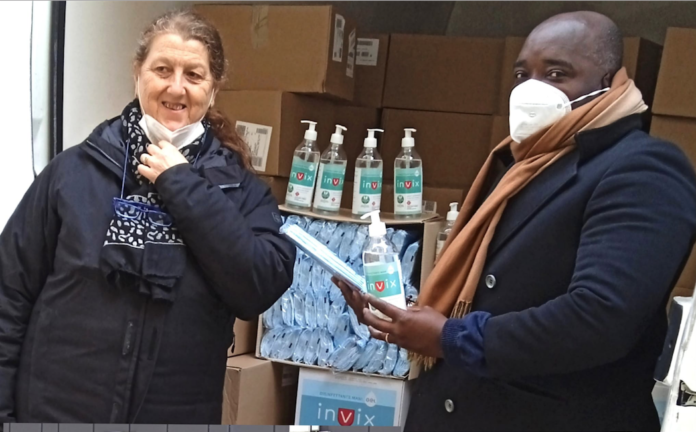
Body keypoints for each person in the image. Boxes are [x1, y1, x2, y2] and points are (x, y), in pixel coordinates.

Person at [335, 11, 696, 431]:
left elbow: (600, 318)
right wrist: (404, 313)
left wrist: (449, 337)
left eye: (557, 74)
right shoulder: (524, 164)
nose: (531, 89)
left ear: (608, 81)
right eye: (522, 75)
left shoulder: (642, 168)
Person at [0, 10, 295, 424]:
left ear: (213, 89)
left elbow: (259, 285)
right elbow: (9, 296)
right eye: (162, 69)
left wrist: (182, 185)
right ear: (138, 74)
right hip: (56, 411)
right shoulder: (73, 172)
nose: (176, 87)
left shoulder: (240, 191)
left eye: (194, 75)